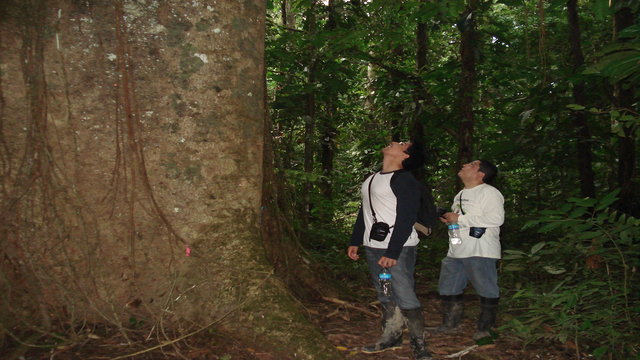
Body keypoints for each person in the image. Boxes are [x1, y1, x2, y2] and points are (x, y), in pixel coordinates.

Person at [347, 141, 432, 360]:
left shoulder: (405, 181)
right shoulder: (372, 178)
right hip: (373, 246)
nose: (396, 142)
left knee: (404, 293)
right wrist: (356, 240)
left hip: (399, 248)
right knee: (385, 292)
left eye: (402, 144)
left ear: (405, 156)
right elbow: (364, 212)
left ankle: (419, 345)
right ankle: (391, 335)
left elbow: (406, 218)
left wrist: (392, 252)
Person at [435, 159, 504, 340]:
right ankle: (450, 325)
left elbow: (496, 218)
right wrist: (450, 220)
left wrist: (459, 219)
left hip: (480, 250)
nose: (465, 165)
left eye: (472, 165)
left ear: (480, 175)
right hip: (457, 250)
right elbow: (459, 220)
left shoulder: (489, 193)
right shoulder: (460, 194)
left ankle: (485, 329)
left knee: (486, 289)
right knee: (448, 287)